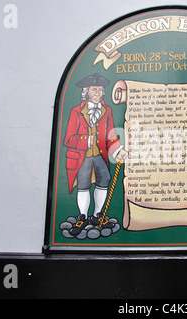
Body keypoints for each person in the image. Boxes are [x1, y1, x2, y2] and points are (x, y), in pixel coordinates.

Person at [64, 73, 127, 234]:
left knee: (103, 181)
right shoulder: (76, 112)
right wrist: (87, 141)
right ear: (86, 92)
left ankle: (97, 215)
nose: (98, 93)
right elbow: (68, 139)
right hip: (82, 158)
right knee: (83, 185)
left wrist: (118, 151)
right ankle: (83, 217)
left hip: (100, 155)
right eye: (94, 90)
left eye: (100, 90)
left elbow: (111, 135)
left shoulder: (107, 111)